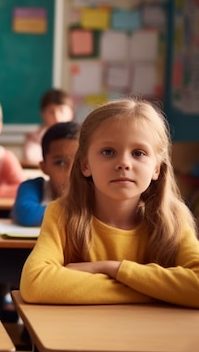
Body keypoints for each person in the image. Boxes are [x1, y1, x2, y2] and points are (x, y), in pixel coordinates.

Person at [20, 99, 199, 308]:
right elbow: (35, 284)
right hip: (78, 337)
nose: (124, 163)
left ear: (156, 169)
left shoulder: (173, 217)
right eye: (108, 152)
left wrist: (112, 268)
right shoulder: (62, 213)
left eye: (138, 153)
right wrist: (162, 290)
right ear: (85, 165)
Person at [12, 121, 80, 227]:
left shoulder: (97, 189)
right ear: (44, 167)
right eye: (60, 163)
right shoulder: (33, 187)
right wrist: (80, 211)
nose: (70, 172)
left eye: (78, 162)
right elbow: (26, 215)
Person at [22, 88, 74, 164]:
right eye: (51, 111)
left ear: (71, 113)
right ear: (43, 114)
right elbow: (32, 159)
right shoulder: (34, 137)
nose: (57, 116)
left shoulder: (80, 137)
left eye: (61, 110)